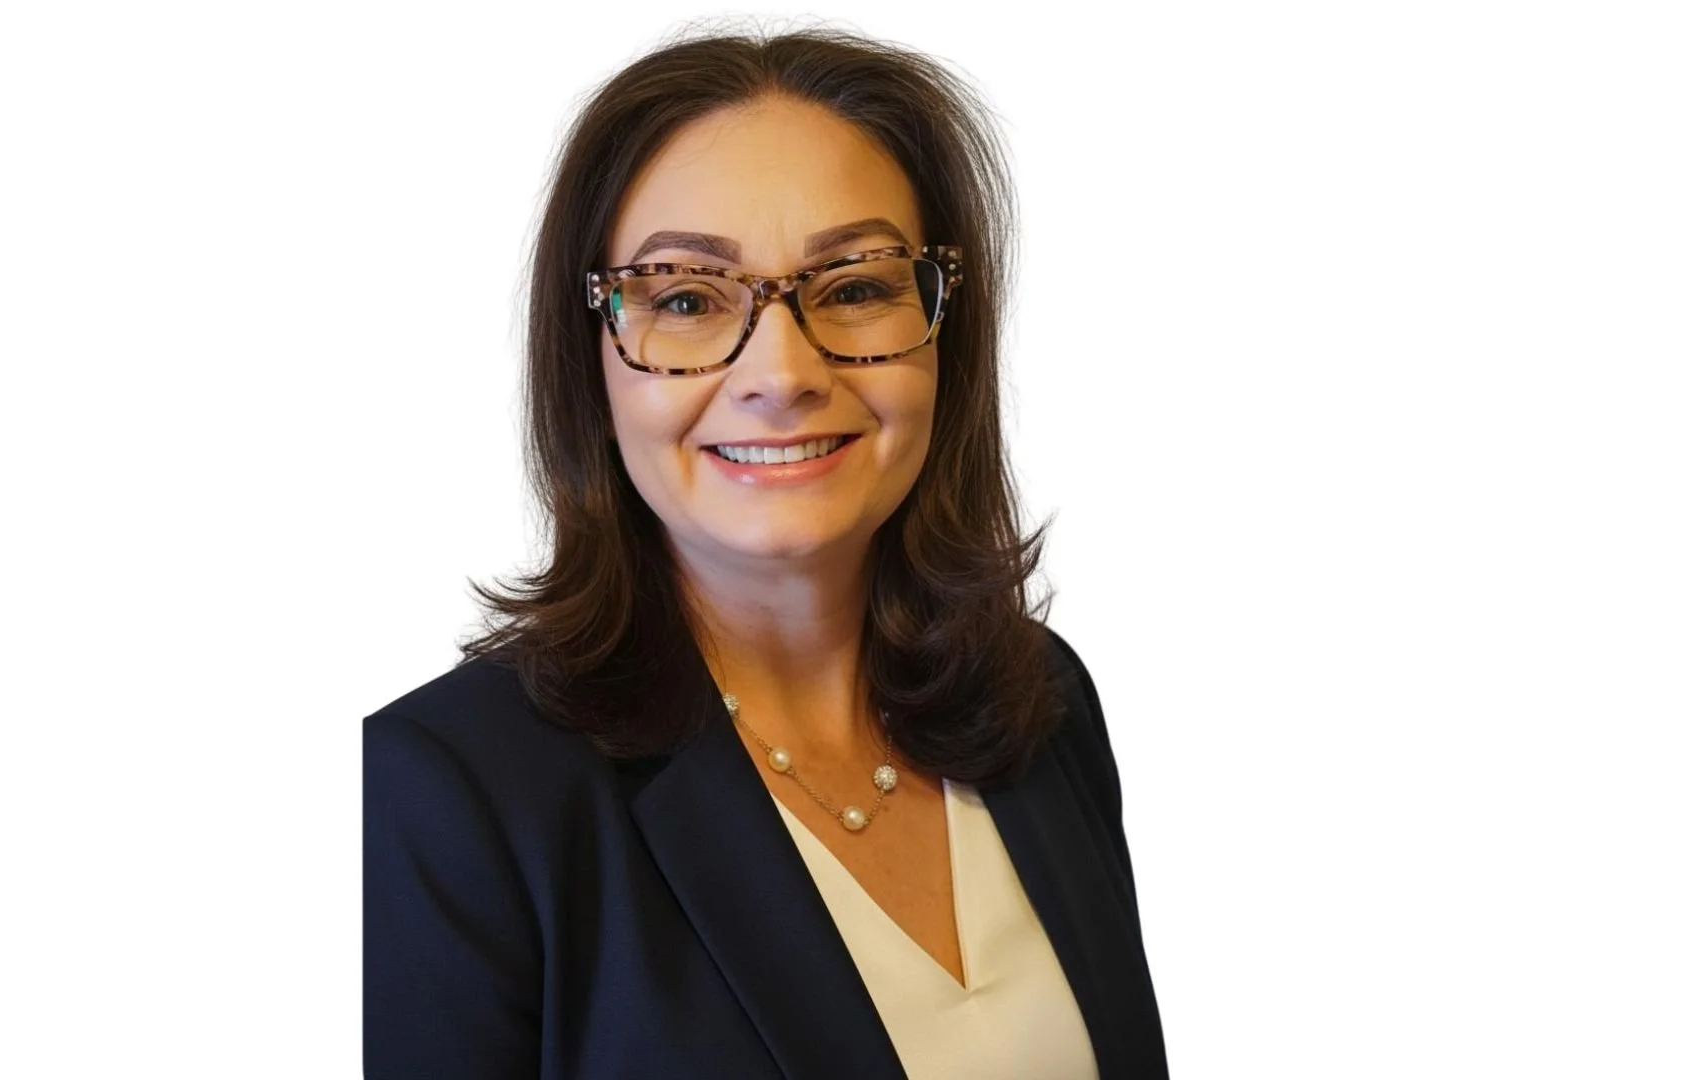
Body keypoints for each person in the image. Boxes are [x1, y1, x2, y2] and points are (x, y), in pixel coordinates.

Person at [363, 24, 1169, 1079]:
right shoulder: (438, 797)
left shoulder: (1042, 700)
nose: (782, 375)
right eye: (688, 299)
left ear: (945, 332)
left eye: (856, 286)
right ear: (591, 356)